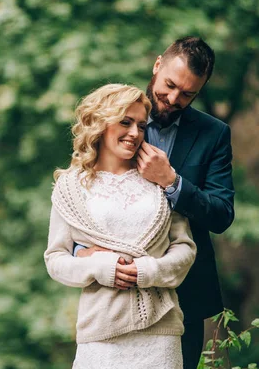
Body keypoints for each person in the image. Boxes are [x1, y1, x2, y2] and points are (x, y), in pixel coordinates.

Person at [75, 36, 235, 369]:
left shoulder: (214, 134)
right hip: (112, 299)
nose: (174, 99)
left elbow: (221, 215)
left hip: (183, 294)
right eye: (170, 86)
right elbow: (83, 197)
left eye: (187, 94)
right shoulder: (116, 115)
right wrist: (82, 252)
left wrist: (172, 182)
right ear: (157, 65)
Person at [44, 83, 197, 368]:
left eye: (141, 125)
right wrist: (101, 266)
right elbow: (56, 259)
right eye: (125, 122)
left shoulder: (159, 177)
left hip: (160, 334)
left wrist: (149, 270)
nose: (135, 133)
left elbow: (185, 249)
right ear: (99, 124)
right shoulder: (70, 187)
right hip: (101, 335)